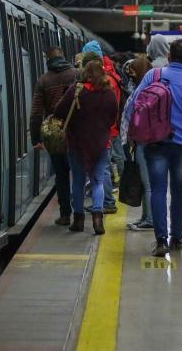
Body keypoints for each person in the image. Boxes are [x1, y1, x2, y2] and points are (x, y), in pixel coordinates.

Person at [132, 40, 182, 256]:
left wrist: (138, 136)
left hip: (155, 144)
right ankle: (177, 236)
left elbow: (134, 105)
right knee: (179, 192)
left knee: (158, 190)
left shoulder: (153, 76)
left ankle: (160, 241)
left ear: (169, 56)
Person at [54, 60, 118, 235]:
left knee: (79, 181)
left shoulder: (77, 90)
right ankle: (98, 220)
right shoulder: (109, 93)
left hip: (77, 144)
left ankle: (79, 219)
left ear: (85, 74)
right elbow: (113, 117)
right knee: (97, 181)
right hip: (100, 144)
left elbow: (59, 111)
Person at [29, 47, 79, 225]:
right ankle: (79, 213)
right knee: (78, 173)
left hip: (55, 135)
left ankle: (65, 214)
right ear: (64, 57)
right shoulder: (76, 74)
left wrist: (36, 139)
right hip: (76, 132)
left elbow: (36, 113)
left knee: (61, 174)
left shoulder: (43, 80)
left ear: (48, 61)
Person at [81, 41, 122, 214]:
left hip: (105, 132)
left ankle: (108, 202)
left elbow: (110, 109)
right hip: (108, 130)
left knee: (103, 169)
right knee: (103, 168)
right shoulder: (111, 75)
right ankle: (105, 201)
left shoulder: (107, 81)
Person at [120, 55, 155, 231]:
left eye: (133, 72)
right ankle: (145, 217)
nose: (130, 75)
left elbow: (137, 117)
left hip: (143, 142)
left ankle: (149, 219)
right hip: (142, 142)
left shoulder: (144, 91)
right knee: (145, 182)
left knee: (148, 183)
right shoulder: (144, 88)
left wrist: (133, 138)